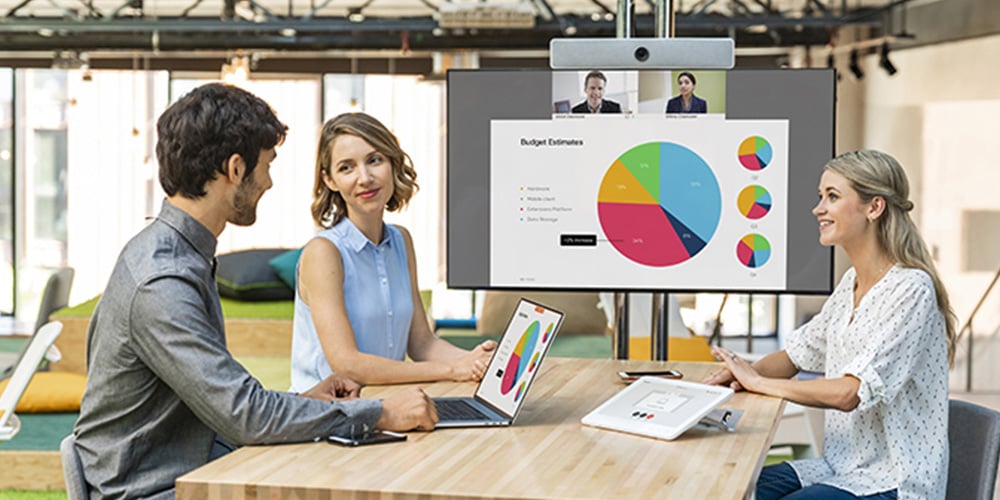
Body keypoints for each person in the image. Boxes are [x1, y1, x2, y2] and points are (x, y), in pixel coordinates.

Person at [73, 83, 438, 499]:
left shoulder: (177, 253)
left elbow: (231, 401)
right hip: (154, 489)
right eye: (266, 165)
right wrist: (379, 412)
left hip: (195, 461)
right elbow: (245, 414)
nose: (268, 181)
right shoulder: (164, 279)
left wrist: (312, 404)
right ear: (234, 170)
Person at [705, 150, 956, 499]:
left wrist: (758, 382)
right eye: (821, 196)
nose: (818, 208)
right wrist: (736, 377)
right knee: (730, 488)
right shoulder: (850, 283)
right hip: (839, 467)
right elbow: (796, 356)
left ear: (874, 207)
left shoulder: (911, 289)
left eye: (833, 197)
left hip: (893, 481)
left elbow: (848, 392)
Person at [290, 112, 496, 391]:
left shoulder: (401, 241)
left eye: (374, 160)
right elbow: (347, 364)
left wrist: (477, 360)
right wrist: (451, 371)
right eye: (346, 168)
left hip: (389, 407)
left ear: (391, 163)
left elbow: (421, 343)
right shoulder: (324, 252)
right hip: (327, 417)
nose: (365, 178)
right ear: (330, 181)